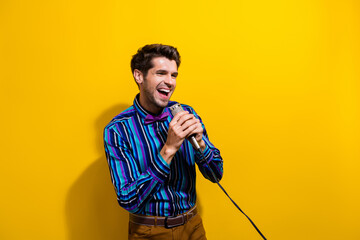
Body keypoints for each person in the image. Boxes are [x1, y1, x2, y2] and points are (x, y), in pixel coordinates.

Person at [103, 44, 223, 240]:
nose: (170, 82)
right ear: (139, 76)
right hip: (150, 231)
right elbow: (128, 199)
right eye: (161, 73)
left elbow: (216, 174)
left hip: (193, 227)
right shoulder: (117, 130)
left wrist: (201, 145)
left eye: (174, 75)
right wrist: (168, 149)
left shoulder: (186, 114)